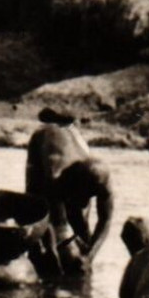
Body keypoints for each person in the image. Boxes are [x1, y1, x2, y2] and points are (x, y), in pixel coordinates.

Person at [24, 113, 114, 276]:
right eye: (81, 195)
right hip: (43, 144)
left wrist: (89, 256)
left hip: (74, 141)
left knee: (82, 226)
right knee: (34, 207)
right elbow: (45, 216)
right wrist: (51, 250)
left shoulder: (104, 180)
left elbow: (106, 220)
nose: (83, 201)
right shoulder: (55, 176)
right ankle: (35, 253)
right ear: (73, 185)